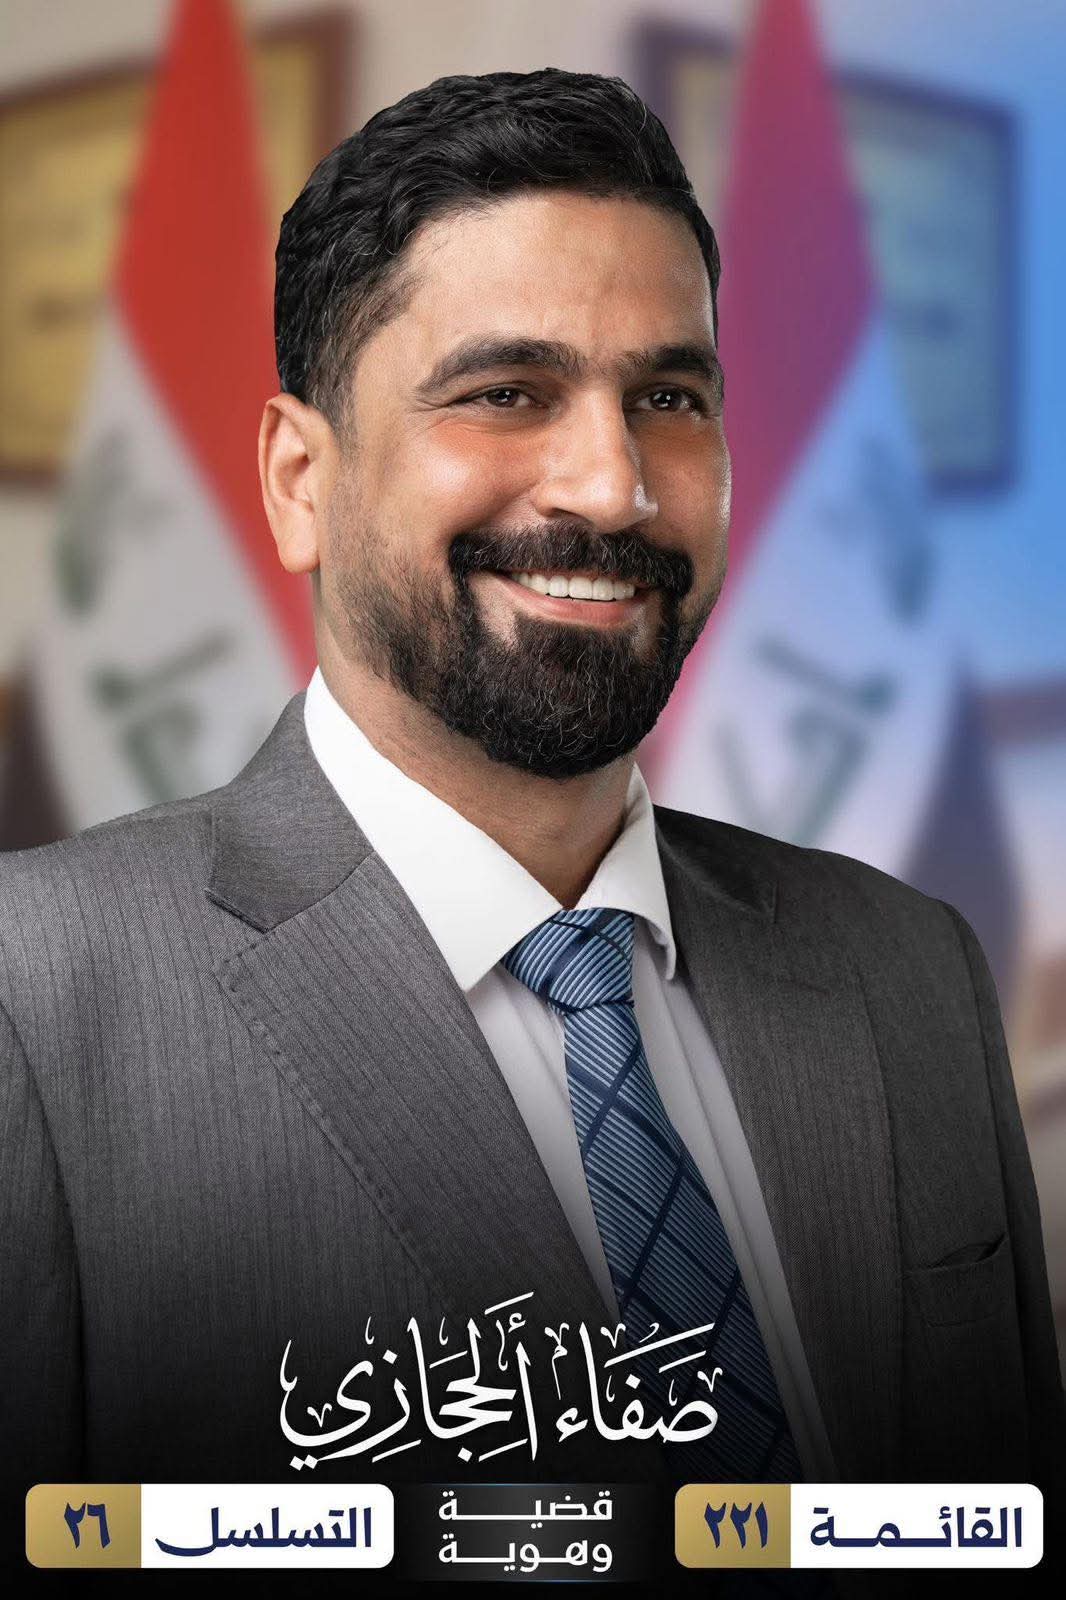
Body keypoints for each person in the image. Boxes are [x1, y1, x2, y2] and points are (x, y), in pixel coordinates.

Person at [1, 67, 1062, 1580]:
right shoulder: (35, 1001)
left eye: (669, 399)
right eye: (506, 392)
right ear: (299, 481)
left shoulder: (908, 970)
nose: (613, 486)